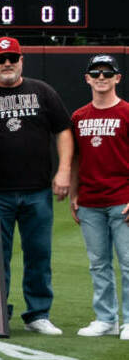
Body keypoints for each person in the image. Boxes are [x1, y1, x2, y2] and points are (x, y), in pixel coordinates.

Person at [0, 35, 73, 335]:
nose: (7, 63)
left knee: (38, 254)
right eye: (0, 59)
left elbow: (63, 130)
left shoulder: (42, 91)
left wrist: (64, 171)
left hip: (37, 189)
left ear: (21, 60)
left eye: (12, 58)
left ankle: (38, 314)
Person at [67, 53, 127, 339]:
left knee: (128, 263)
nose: (101, 78)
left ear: (118, 78)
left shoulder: (127, 112)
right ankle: (106, 319)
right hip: (90, 201)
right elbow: (76, 158)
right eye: (96, 73)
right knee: (98, 264)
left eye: (107, 73)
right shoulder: (79, 116)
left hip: (122, 199)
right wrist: (74, 193)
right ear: (87, 79)